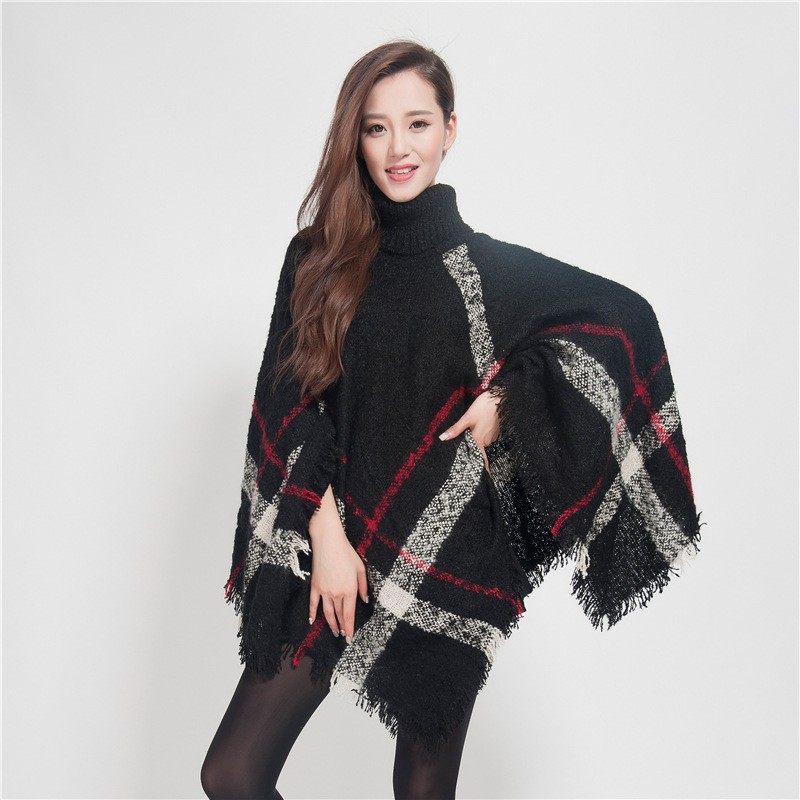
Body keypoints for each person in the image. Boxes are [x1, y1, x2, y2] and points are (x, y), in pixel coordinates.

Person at [202, 39, 702, 800]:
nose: (398, 149)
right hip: (334, 544)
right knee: (233, 773)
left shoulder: (485, 274)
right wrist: (326, 536)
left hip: (451, 554)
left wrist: (511, 402)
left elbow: (623, 320)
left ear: (450, 130)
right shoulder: (318, 259)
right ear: (354, 138)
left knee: (424, 794)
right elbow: (291, 402)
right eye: (376, 128)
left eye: (417, 124)